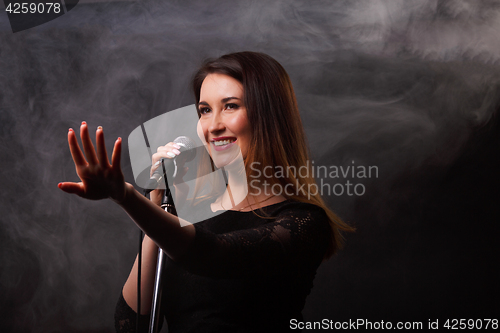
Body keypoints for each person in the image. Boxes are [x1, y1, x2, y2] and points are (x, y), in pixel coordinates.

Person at [59, 51, 354, 332]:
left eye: (231, 106)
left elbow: (211, 254)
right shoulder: (186, 217)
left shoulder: (303, 222)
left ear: (269, 116)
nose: (213, 125)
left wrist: (126, 197)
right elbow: (131, 325)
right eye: (204, 110)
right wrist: (159, 200)